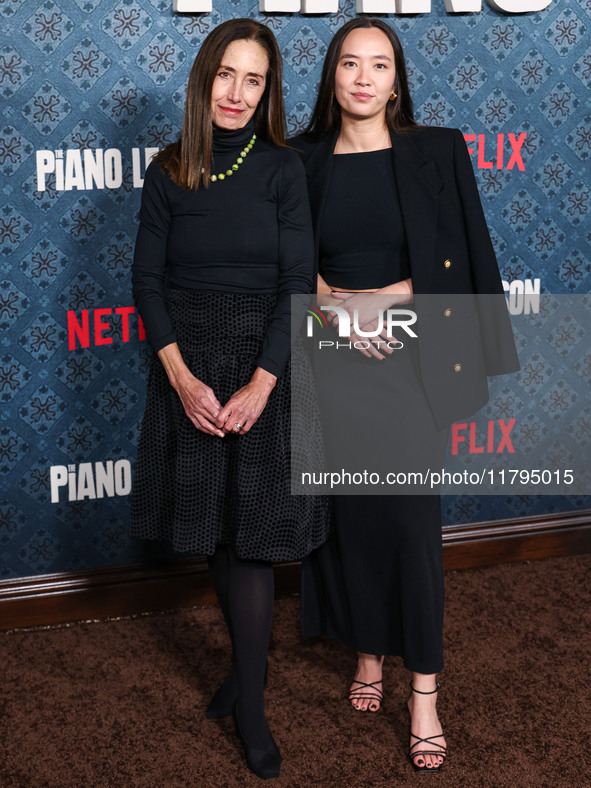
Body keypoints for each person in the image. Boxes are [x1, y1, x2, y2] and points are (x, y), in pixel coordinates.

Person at [291, 18, 519, 773]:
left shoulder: (436, 151)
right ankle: (367, 655)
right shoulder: (301, 159)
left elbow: (464, 250)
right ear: (331, 77)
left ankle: (422, 689)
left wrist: (383, 300)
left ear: (397, 79)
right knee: (352, 519)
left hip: (410, 356)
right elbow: (289, 264)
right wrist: (335, 306)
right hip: (331, 354)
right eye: (348, 63)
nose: (362, 77)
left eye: (378, 64)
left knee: (413, 528)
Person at [130, 19, 329, 780]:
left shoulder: (282, 169)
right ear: (203, 78)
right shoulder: (169, 169)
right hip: (188, 363)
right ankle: (245, 677)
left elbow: (297, 286)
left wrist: (261, 382)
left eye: (255, 80)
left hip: (263, 364)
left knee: (251, 538)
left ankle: (250, 700)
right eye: (226, 76)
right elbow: (147, 284)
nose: (238, 94)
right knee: (216, 531)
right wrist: (182, 380)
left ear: (268, 90)